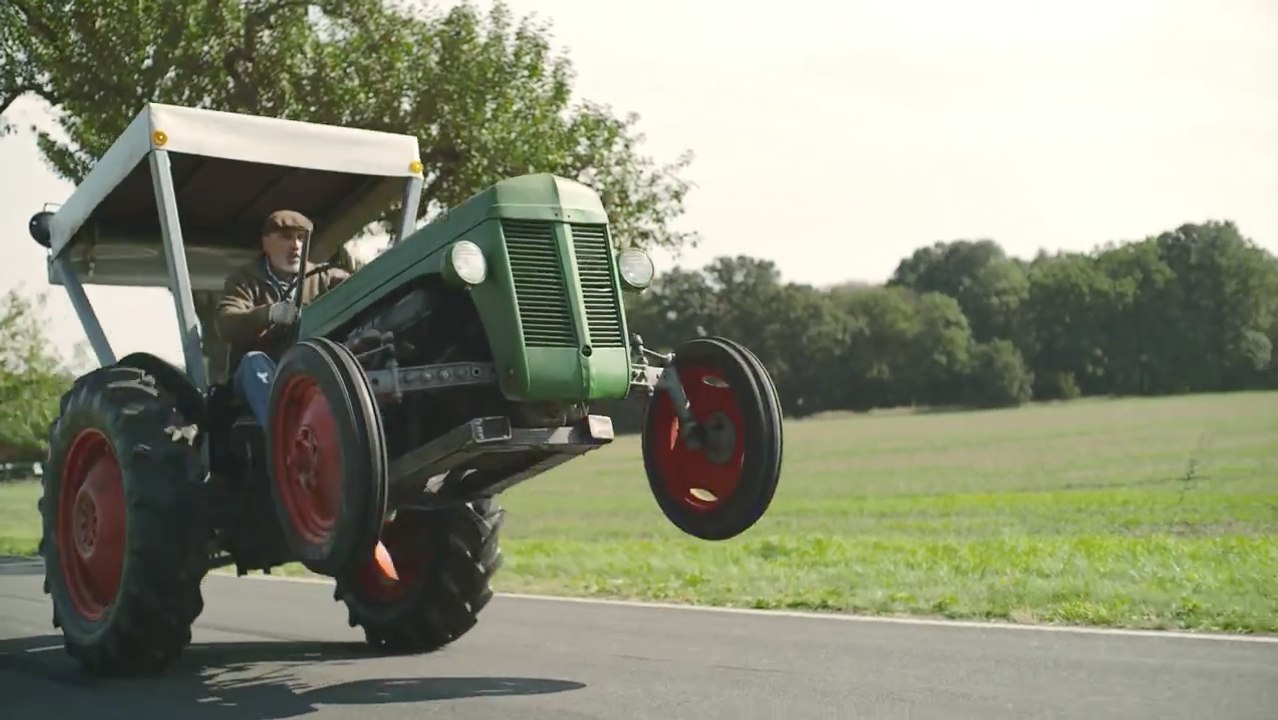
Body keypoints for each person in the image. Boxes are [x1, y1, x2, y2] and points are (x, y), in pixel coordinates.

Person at [215, 210, 350, 426]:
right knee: (253, 362)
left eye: (300, 238)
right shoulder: (245, 280)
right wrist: (270, 313)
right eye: (286, 237)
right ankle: (286, 437)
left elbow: (356, 290)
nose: (296, 246)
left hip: (312, 367)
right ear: (266, 243)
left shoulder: (323, 277)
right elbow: (227, 323)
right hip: (265, 370)